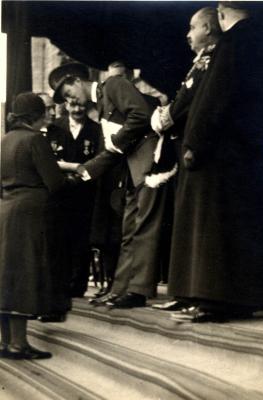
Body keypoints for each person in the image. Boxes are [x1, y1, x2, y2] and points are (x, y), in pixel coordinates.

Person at [168, 2, 263, 322]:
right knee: (241, 229)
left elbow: (213, 99)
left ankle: (216, 300)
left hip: (221, 155)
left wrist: (195, 144)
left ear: (220, 12)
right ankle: (241, 298)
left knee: (215, 229)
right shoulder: (261, 39)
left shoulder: (231, 44)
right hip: (247, 152)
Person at [49, 62, 173, 308]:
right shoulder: (102, 103)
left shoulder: (114, 85)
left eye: (68, 93)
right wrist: (84, 174)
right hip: (131, 170)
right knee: (128, 229)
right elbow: (111, 152)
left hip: (150, 165)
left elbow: (140, 115)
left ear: (76, 81)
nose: (70, 100)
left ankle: (138, 291)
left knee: (144, 227)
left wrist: (116, 142)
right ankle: (120, 288)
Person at [150, 7, 222, 311]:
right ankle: (186, 292)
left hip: (204, 152)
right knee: (186, 222)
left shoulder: (212, 60)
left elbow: (186, 102)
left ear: (207, 27)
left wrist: (162, 119)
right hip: (189, 148)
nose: (188, 34)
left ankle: (196, 294)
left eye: (193, 28)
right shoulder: (203, 60)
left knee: (197, 224)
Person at [0, 93, 71, 359]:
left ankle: (4, 342)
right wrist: (77, 177)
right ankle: (19, 344)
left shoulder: (4, 141)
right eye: (45, 112)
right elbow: (55, 183)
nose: (49, 116)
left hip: (6, 209)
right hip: (30, 212)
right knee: (24, 274)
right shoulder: (35, 140)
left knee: (6, 274)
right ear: (34, 117)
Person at [46, 97, 103, 298]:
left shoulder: (95, 130)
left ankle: (78, 285)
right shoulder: (55, 128)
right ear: (65, 105)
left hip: (85, 192)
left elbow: (99, 160)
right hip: (60, 192)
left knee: (82, 237)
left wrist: (82, 178)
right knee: (61, 237)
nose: (77, 109)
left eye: (81, 105)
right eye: (73, 104)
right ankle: (61, 283)